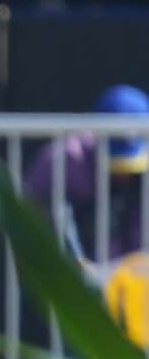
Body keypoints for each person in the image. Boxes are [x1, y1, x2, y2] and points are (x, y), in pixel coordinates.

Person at [23, 85, 149, 271]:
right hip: (71, 284)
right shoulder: (63, 161)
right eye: (116, 163)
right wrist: (67, 260)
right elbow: (29, 216)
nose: (124, 175)